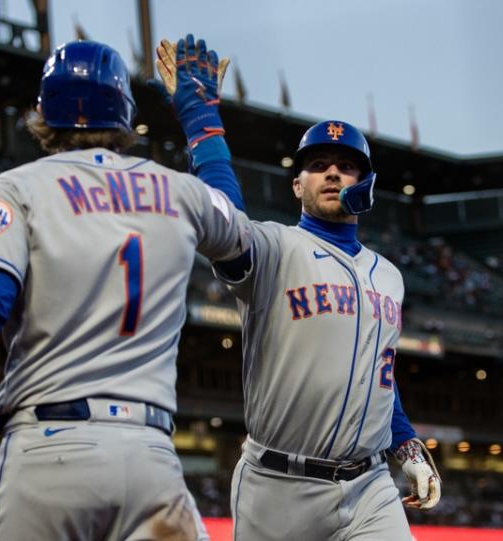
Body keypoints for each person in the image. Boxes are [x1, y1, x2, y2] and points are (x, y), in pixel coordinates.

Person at [0, 40, 251, 541]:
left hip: (48, 453)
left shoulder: (17, 188)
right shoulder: (179, 191)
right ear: (125, 113)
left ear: (44, 112)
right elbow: (240, 237)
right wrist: (201, 118)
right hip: (150, 460)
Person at [157, 35, 441, 540]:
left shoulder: (390, 277)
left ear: (365, 183)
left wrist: (408, 445)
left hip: (371, 486)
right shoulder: (273, 248)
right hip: (279, 487)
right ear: (297, 186)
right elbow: (224, 219)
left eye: (346, 163)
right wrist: (202, 123)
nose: (331, 170)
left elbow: (380, 375)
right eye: (317, 164)